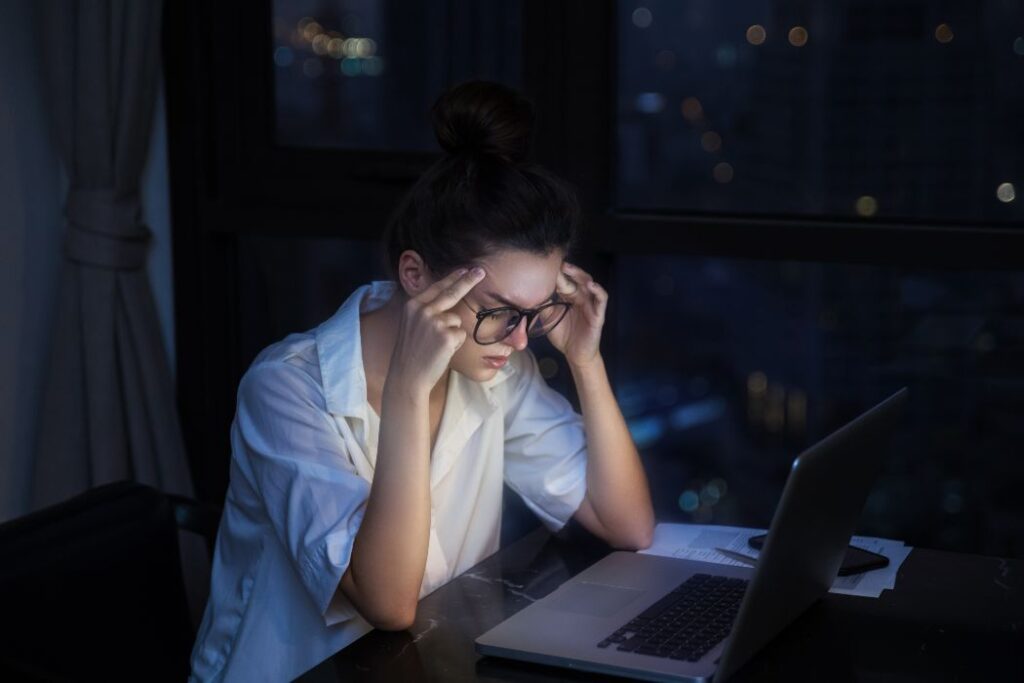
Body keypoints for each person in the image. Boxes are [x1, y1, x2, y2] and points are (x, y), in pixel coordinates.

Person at [189, 81, 654, 682]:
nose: (518, 342)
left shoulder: (495, 366)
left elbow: (627, 524)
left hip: (428, 667)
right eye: (498, 311)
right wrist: (409, 391)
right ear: (416, 274)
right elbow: (386, 602)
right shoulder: (285, 389)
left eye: (535, 315)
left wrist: (586, 363)